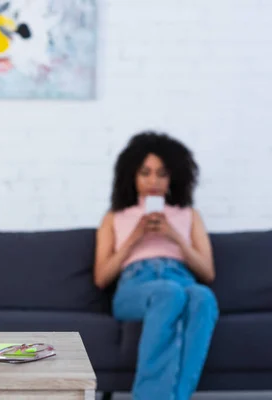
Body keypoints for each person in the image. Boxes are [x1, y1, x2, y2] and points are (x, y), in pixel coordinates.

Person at [93, 131, 219, 400]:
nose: (153, 181)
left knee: (203, 297)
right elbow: (102, 277)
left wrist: (174, 236)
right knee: (167, 292)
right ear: (132, 175)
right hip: (136, 286)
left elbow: (207, 272)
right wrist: (136, 236)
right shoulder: (116, 217)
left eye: (162, 173)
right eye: (145, 172)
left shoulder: (188, 215)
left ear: (173, 177)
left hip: (181, 279)